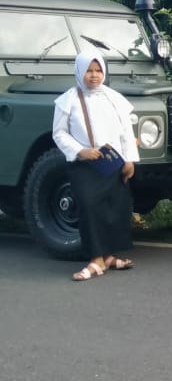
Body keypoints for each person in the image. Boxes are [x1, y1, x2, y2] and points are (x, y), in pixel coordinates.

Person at [53, 49, 140, 281]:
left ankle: (108, 256)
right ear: (79, 71)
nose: (93, 75)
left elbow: (125, 132)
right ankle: (95, 259)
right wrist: (80, 151)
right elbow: (59, 133)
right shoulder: (67, 100)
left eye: (98, 70)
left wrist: (129, 159)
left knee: (112, 208)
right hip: (84, 165)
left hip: (112, 163)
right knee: (89, 207)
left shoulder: (114, 98)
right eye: (89, 71)